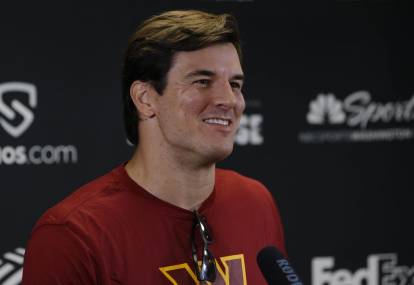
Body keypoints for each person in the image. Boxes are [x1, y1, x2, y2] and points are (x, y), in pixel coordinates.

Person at [22, 10, 286, 285]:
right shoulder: (72, 237)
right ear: (145, 98)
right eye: (202, 81)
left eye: (235, 84)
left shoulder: (255, 202)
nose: (228, 99)